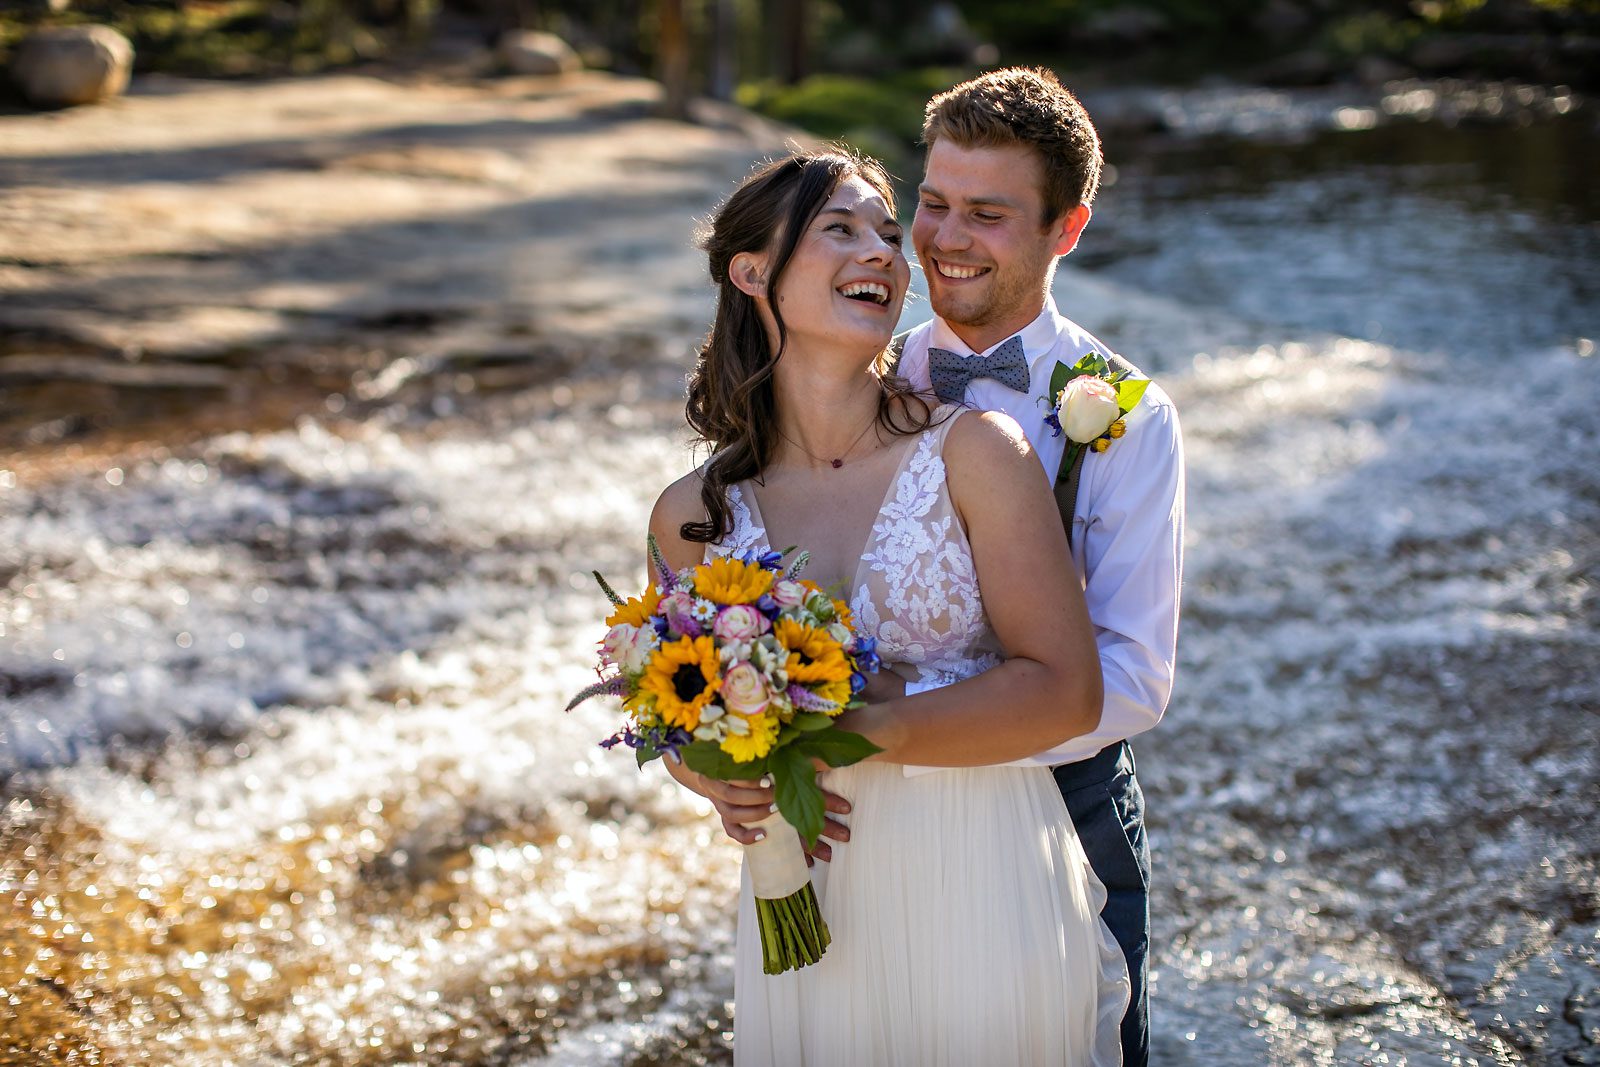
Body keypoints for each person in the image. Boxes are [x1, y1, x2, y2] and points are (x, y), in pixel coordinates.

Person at [678, 68, 1185, 1066]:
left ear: (1064, 230)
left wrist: (911, 736)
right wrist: (729, 762)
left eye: (986, 214)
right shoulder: (857, 359)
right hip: (837, 829)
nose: (943, 238)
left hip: (1052, 802)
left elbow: (1131, 678)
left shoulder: (1124, 411)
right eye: (935, 204)